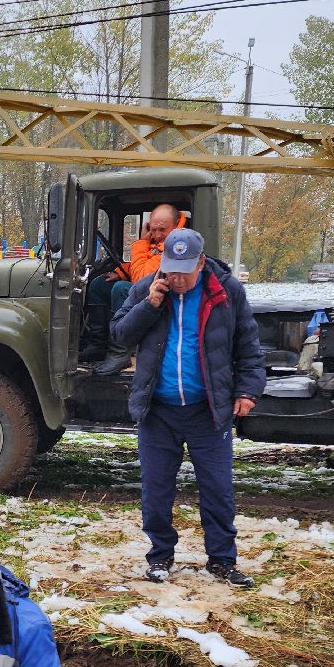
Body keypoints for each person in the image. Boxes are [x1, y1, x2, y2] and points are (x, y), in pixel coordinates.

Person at [110, 227, 266, 587]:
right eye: (171, 269)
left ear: (201, 262)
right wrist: (149, 306)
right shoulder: (148, 288)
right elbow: (119, 335)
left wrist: (247, 391)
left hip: (207, 410)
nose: (176, 279)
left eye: (184, 271)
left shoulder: (226, 291)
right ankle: (160, 557)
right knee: (156, 491)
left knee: (218, 491)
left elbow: (248, 345)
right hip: (158, 411)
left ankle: (222, 561)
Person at [79, 203, 185, 374]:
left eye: (162, 230)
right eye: (153, 229)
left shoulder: (177, 247)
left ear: (175, 226)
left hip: (161, 300)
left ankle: (120, 351)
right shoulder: (159, 245)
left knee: (121, 289)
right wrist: (120, 272)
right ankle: (98, 344)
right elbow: (146, 264)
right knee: (99, 285)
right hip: (147, 291)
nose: (157, 234)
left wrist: (142, 242)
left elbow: (141, 280)